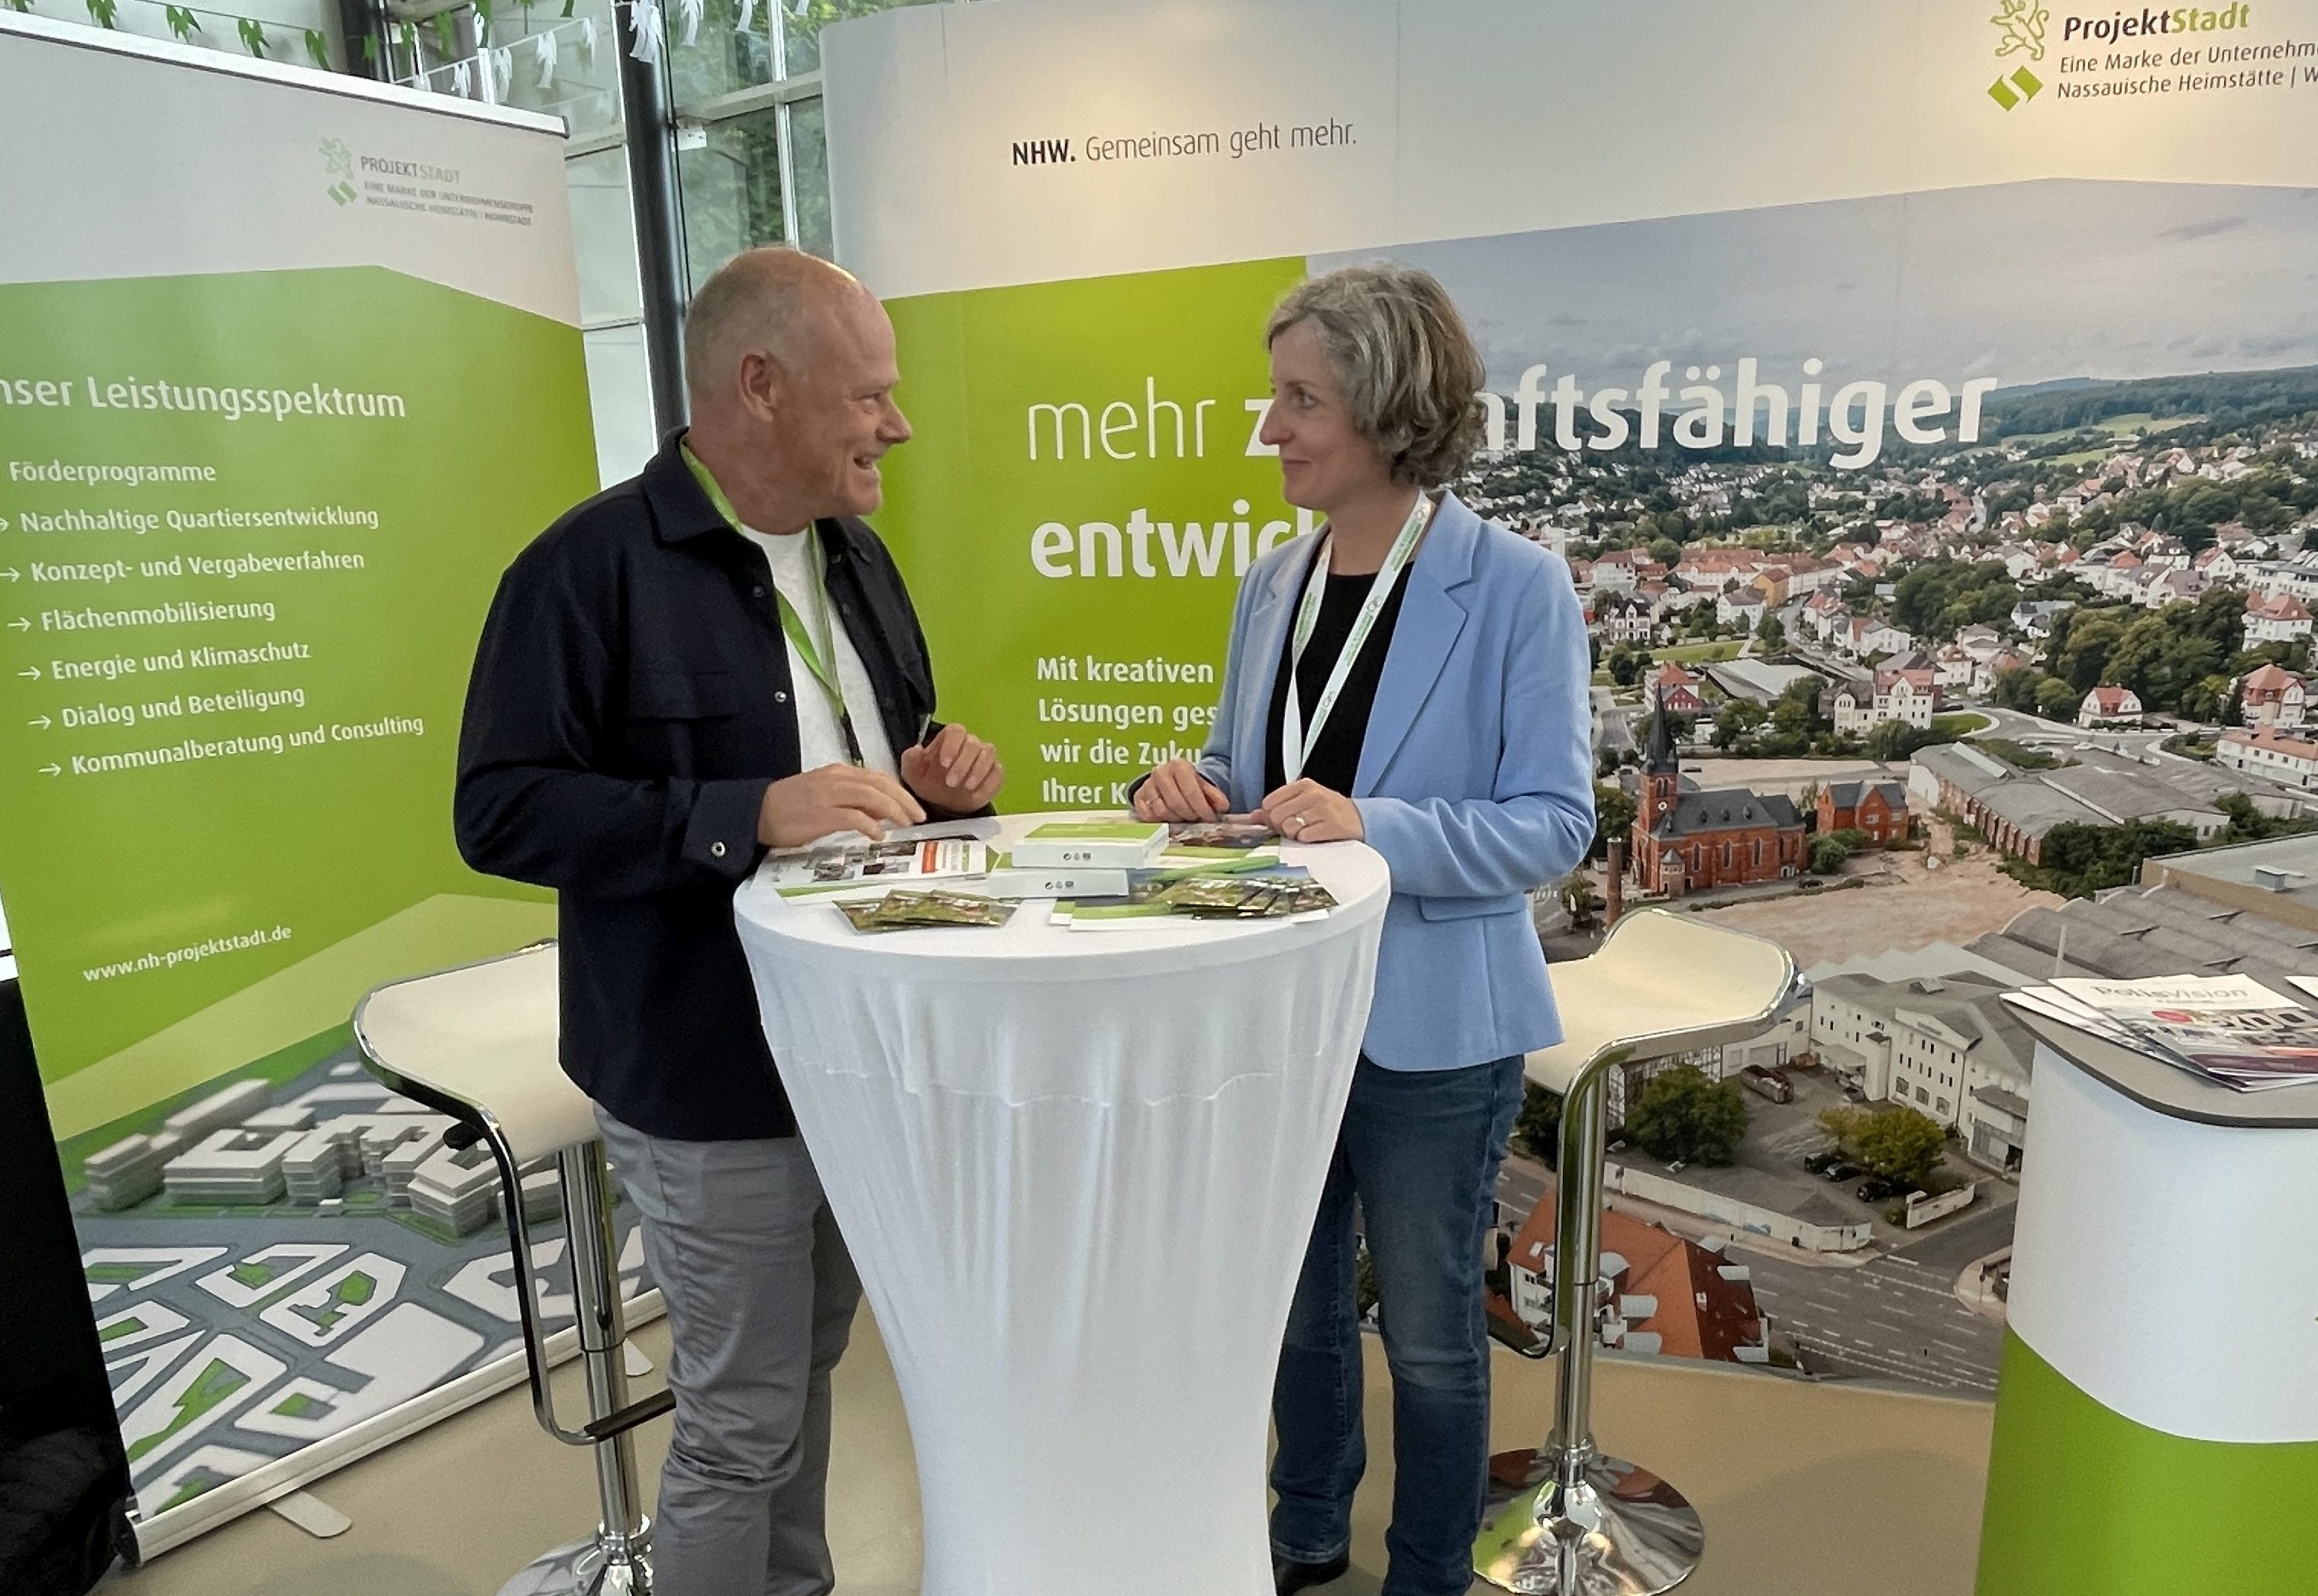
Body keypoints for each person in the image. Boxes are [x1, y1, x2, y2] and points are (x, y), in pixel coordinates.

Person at [454, 247, 1003, 1596]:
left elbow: (871, 763)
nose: (899, 423)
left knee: (801, 1377)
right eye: (869, 394)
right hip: (709, 1076)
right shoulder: (586, 571)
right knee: (743, 1420)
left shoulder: (856, 559)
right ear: (759, 385)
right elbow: (502, 811)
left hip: (858, 1059)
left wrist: (927, 784)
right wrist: (742, 813)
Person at [1134, 264, 1593, 1596]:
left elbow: (1554, 825)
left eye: (1300, 398)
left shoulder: (1515, 587)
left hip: (1434, 1028)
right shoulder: (1270, 585)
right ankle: (1302, 1529)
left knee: (1438, 1337)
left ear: (1389, 410)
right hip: (1278, 1012)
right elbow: (1243, 770)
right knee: (1294, 1307)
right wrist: (1187, 791)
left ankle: (1430, 1571)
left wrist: (1373, 823)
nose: (1269, 428)